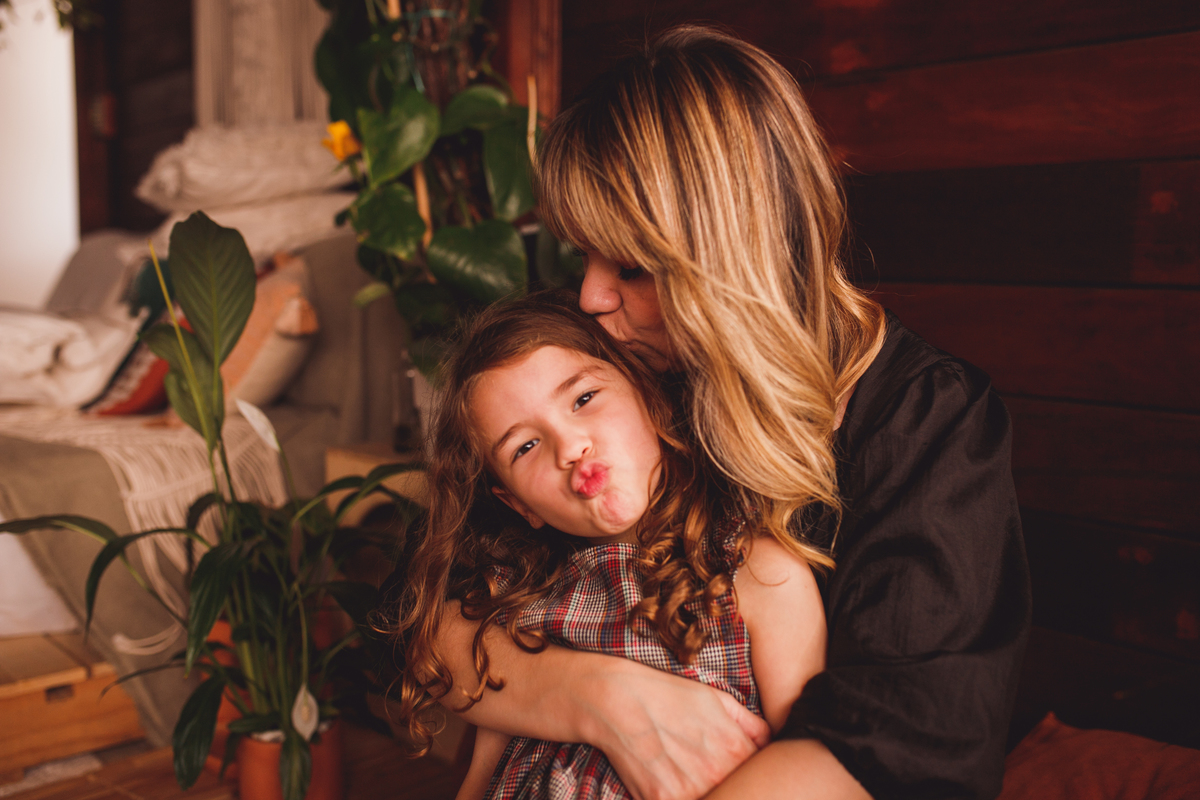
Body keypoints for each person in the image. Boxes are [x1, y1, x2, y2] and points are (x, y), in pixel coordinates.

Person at [432, 24, 1031, 800]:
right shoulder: (625, 379)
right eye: (583, 255)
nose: (588, 297)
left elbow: (897, 752)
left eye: (632, 266)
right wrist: (604, 700)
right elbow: (434, 624)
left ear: (729, 259)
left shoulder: (930, 424)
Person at [390, 292, 827, 800]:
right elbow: (481, 777)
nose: (570, 447)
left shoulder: (755, 571)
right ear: (519, 505)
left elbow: (809, 761)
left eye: (583, 399)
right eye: (525, 446)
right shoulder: (521, 606)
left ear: (649, 397)